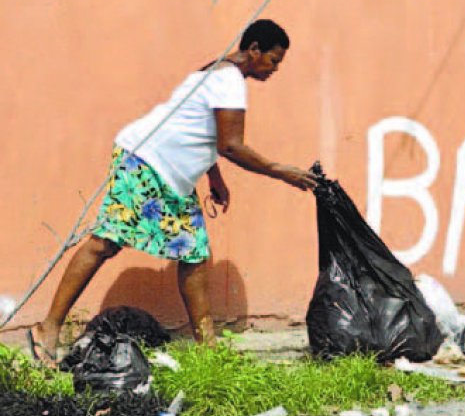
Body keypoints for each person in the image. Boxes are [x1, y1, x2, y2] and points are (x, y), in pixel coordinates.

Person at [29, 19, 317, 365]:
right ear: (254, 49)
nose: (274, 69)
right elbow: (230, 144)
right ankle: (48, 328)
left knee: (193, 253)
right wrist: (280, 171)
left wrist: (214, 178)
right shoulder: (228, 80)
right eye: (273, 60)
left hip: (173, 177)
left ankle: (208, 350)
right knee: (105, 242)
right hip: (145, 161)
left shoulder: (215, 72)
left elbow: (201, 129)